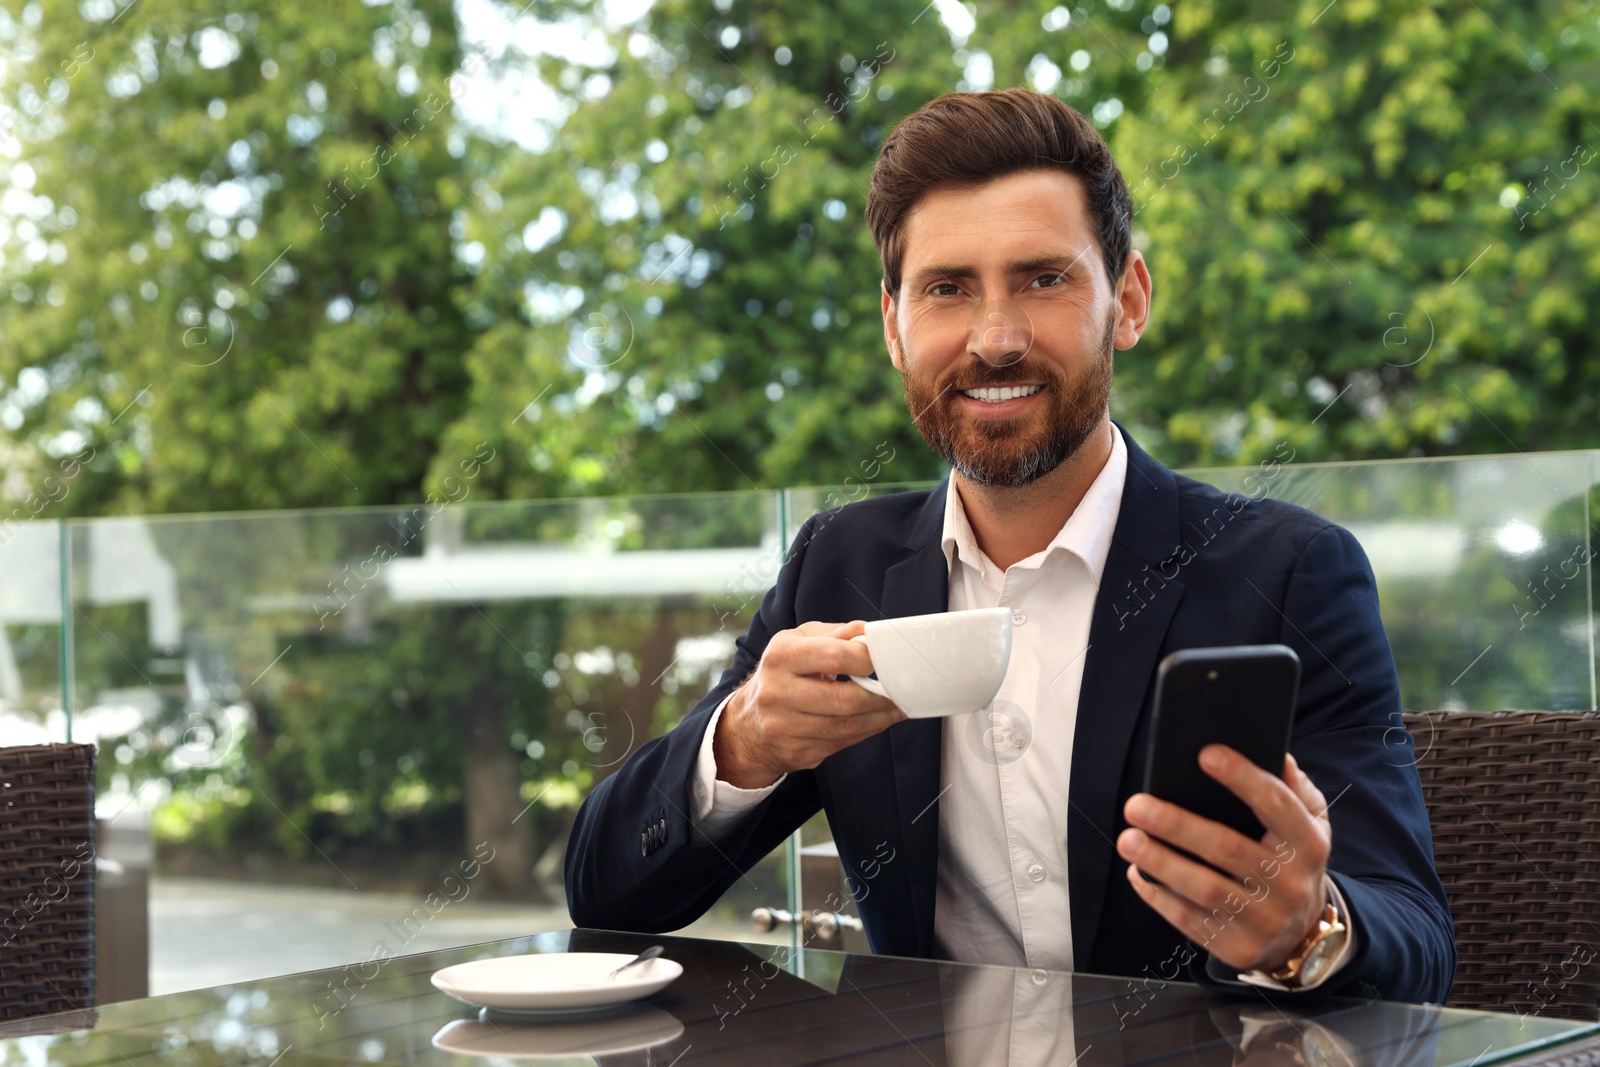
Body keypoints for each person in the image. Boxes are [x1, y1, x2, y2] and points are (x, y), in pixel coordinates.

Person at [565, 87, 1455, 1004]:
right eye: (948, 289)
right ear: (892, 326)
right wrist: (744, 740)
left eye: (1043, 278)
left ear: (1129, 301)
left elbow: (1419, 939)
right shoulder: (841, 566)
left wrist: (1306, 933)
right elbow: (604, 892)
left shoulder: (1291, 572)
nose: (995, 340)